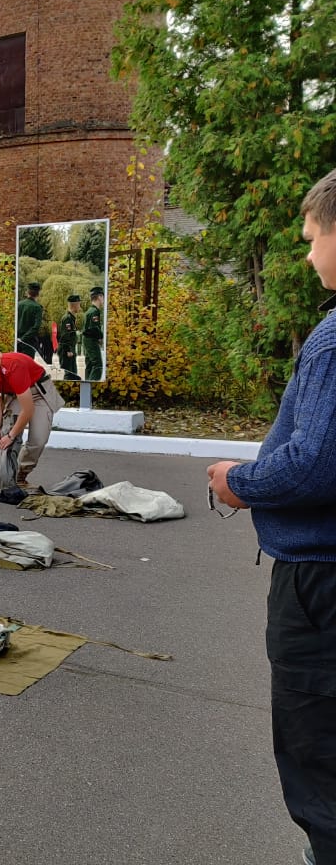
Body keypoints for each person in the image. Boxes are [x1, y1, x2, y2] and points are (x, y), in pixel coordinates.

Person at [208, 167, 336, 865]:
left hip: (321, 584)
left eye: (313, 237)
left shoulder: (334, 338)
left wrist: (240, 482)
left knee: (319, 761)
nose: (308, 252)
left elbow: (314, 464)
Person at [0, 350, 64, 486]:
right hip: (15, 394)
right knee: (4, 435)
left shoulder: (13, 366)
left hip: (38, 392)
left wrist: (11, 435)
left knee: (38, 440)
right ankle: (8, 479)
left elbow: (28, 409)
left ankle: (21, 474)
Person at [57, 294, 82, 382]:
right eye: (79, 304)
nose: (80, 306)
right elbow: (65, 335)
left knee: (74, 375)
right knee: (69, 375)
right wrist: (69, 350)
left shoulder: (71, 318)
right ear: (74, 305)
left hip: (70, 349)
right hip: (66, 350)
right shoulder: (67, 318)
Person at [15, 281, 43, 358]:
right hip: (29, 342)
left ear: (27, 292)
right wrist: (23, 338)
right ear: (38, 294)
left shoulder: (18, 304)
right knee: (27, 365)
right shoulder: (37, 307)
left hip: (16, 341)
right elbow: (36, 327)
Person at [82, 286, 105, 380]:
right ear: (99, 297)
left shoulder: (89, 311)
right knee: (98, 365)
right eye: (103, 297)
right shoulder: (94, 311)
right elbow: (94, 327)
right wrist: (101, 336)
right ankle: (92, 385)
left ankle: (87, 385)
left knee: (90, 365)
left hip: (87, 340)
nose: (103, 300)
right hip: (91, 340)